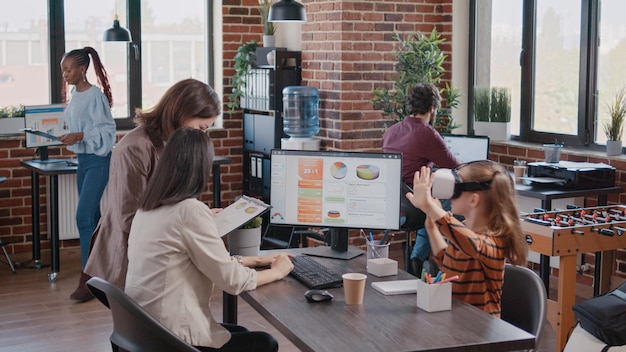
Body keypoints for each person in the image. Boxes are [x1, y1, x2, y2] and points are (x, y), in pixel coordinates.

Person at [125, 127, 294, 352]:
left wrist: (252, 261)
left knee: (241, 333)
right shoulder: (188, 211)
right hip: (173, 337)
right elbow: (232, 281)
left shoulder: (147, 208)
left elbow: (195, 261)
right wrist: (278, 271)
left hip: (146, 331)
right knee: (265, 343)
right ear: (199, 168)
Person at [69, 78, 221, 302]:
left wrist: (201, 216)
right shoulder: (135, 147)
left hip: (155, 250)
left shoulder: (174, 143)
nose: (202, 136)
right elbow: (128, 218)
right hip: (130, 256)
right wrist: (187, 226)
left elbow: (176, 202)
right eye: (201, 128)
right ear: (181, 112)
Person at [405, 161, 528, 317]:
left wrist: (432, 208)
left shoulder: (495, 241)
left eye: (456, 188)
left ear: (473, 200)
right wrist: (431, 226)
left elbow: (475, 246)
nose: (449, 196)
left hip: (483, 331)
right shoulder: (462, 232)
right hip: (456, 323)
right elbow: (450, 263)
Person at [382, 82, 459, 275]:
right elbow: (456, 167)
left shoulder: (391, 131)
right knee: (457, 203)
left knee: (433, 202)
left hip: (393, 204)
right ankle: (456, 264)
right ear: (432, 110)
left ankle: (418, 257)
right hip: (414, 207)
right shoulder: (427, 134)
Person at [59, 47, 116, 302]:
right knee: (92, 218)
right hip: (82, 160)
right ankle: (104, 274)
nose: (65, 74)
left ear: (82, 69)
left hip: (98, 160)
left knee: (83, 217)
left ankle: (87, 279)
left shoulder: (96, 96)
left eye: (68, 69)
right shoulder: (75, 94)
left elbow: (107, 132)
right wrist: (71, 136)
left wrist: (79, 135)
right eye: (63, 70)